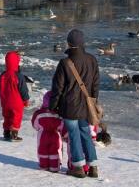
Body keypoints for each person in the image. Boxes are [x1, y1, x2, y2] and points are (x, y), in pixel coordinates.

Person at [49, 29, 100, 178]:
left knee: (74, 134)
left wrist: (53, 105)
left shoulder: (65, 62)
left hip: (69, 106)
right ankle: (93, 166)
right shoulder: (92, 59)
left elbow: (57, 87)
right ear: (82, 42)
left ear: (69, 43)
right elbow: (96, 84)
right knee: (85, 133)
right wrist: (93, 100)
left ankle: (78, 167)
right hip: (85, 105)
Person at [31, 91, 68, 172]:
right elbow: (62, 126)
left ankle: (43, 166)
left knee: (42, 150)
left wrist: (39, 128)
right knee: (55, 150)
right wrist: (65, 135)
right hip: (55, 135)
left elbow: (35, 124)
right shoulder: (58, 114)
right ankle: (54, 167)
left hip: (42, 135)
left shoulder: (38, 113)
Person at [0, 51, 30, 142]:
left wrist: (2, 98)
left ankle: (6, 133)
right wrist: (26, 99)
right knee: (16, 117)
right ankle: (14, 135)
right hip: (16, 102)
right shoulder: (19, 76)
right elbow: (23, 90)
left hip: (5, 101)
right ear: (17, 62)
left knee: (7, 116)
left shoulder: (2, 75)